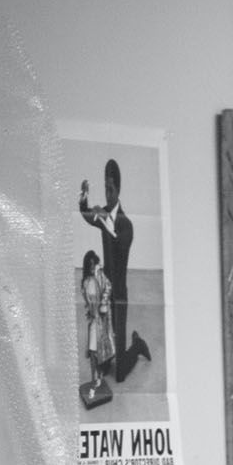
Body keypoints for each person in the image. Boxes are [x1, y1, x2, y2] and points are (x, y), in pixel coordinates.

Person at [77, 161, 150, 384]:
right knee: (104, 365)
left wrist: (105, 220)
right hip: (104, 296)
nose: (107, 195)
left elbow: (119, 243)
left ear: (118, 190)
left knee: (119, 376)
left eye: (110, 189)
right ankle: (110, 354)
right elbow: (86, 214)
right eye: (105, 189)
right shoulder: (105, 215)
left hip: (118, 296)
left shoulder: (126, 224)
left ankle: (137, 345)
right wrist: (84, 198)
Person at [79, 250, 114, 404]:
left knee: (96, 351)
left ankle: (97, 379)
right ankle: (96, 379)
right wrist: (89, 312)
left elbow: (108, 287)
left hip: (102, 320)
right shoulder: (85, 282)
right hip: (93, 320)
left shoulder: (100, 276)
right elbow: (86, 300)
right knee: (93, 351)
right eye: (90, 265)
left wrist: (104, 304)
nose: (93, 268)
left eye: (94, 265)